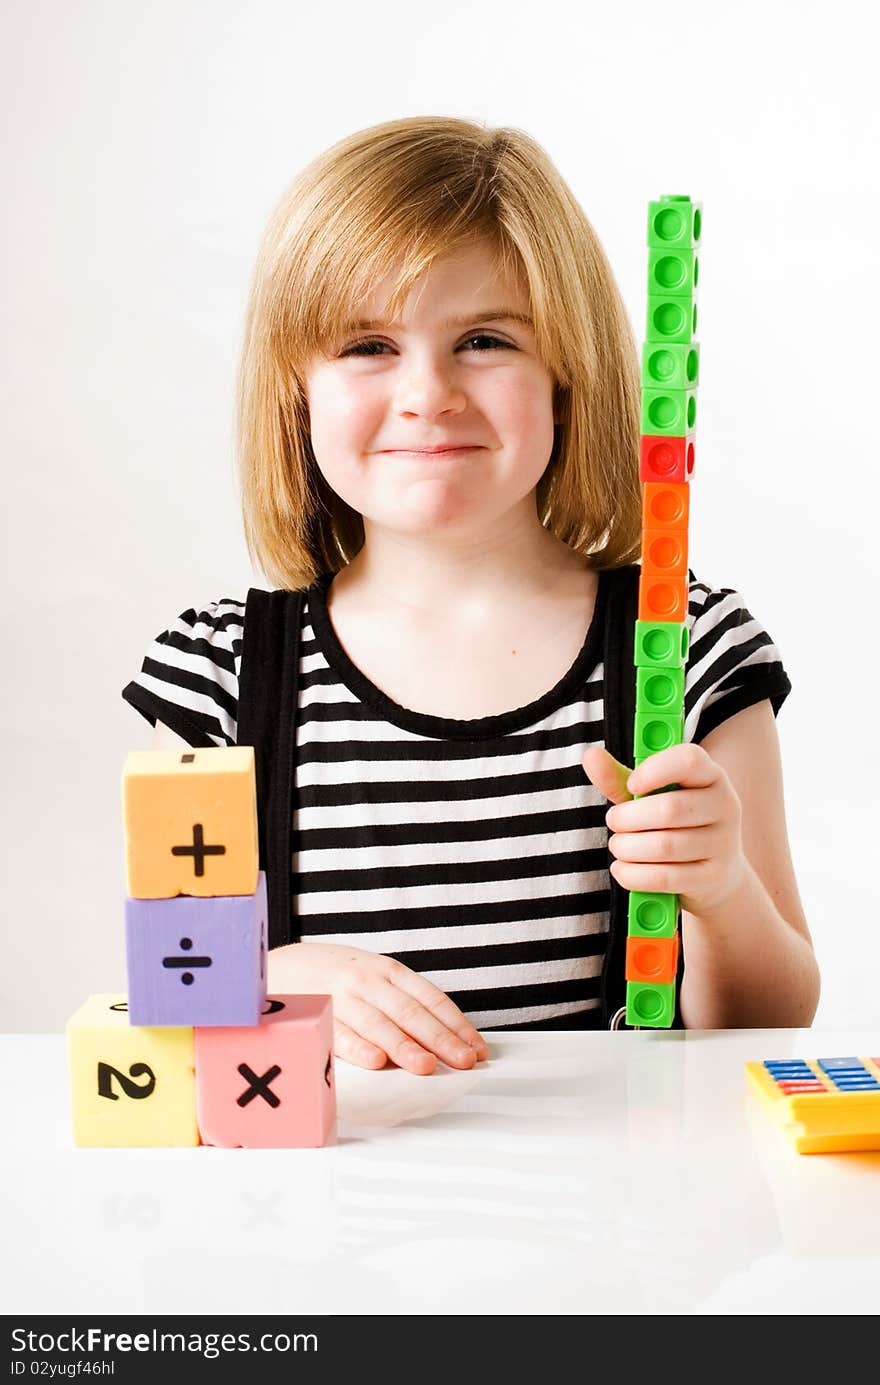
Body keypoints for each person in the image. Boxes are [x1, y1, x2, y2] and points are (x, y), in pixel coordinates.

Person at [122, 115, 820, 1076]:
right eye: (367, 345)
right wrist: (271, 976)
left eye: (485, 339)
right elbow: (158, 1010)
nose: (427, 393)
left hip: (616, 1212)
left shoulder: (693, 650)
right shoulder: (218, 675)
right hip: (320, 1216)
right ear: (299, 393)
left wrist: (724, 887)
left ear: (565, 379)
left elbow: (777, 1016)